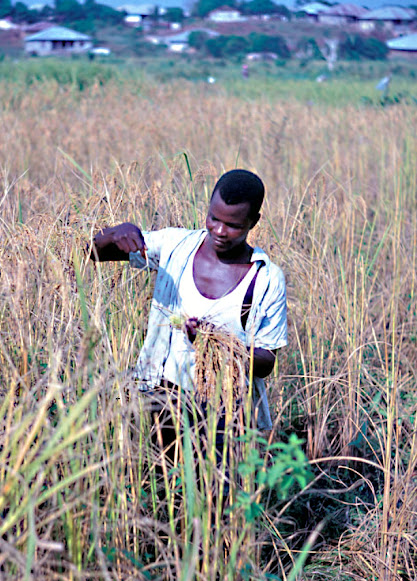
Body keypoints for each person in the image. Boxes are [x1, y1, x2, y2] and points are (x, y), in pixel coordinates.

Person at [89, 169, 287, 443]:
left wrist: (215, 342)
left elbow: (266, 362)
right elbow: (94, 253)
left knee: (217, 484)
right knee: (159, 480)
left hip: (224, 412)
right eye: (213, 218)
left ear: (254, 222)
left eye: (233, 226)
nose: (219, 231)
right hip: (162, 399)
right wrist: (116, 233)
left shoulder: (265, 279)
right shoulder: (175, 246)